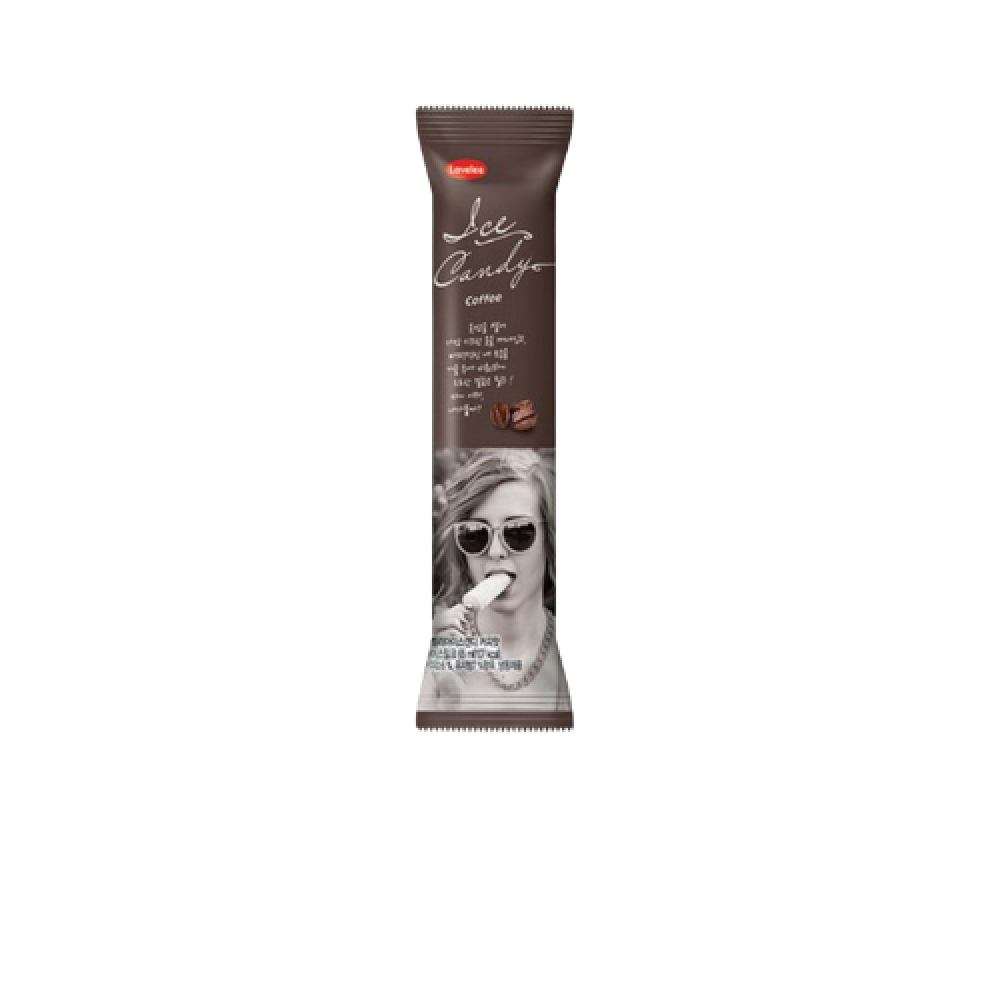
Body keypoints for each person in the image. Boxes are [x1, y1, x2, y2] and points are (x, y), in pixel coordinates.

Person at [416, 449, 572, 713]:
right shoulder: (438, 658)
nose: (496, 551)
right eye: (475, 534)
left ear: (550, 540)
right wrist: (441, 706)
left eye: (518, 531)